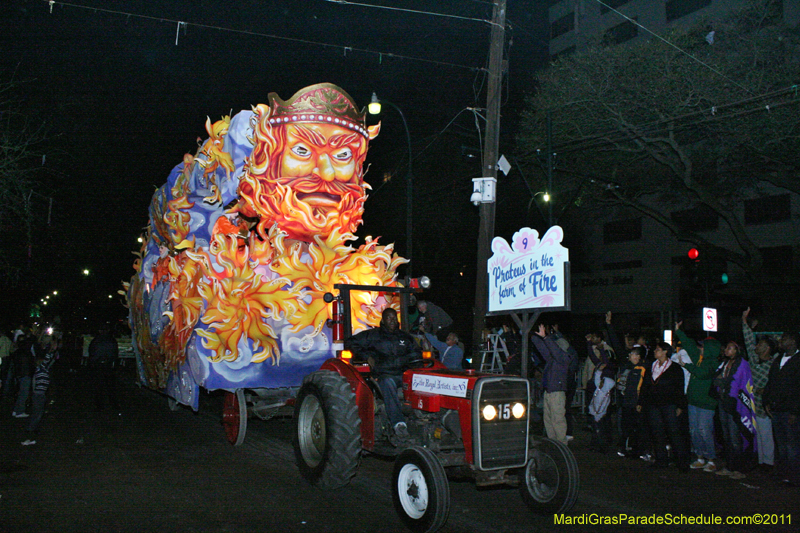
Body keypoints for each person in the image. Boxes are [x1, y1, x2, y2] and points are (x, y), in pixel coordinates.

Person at [236, 83, 380, 243]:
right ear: (268, 161)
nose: (327, 174)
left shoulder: (363, 267)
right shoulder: (231, 262)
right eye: (302, 151)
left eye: (343, 154)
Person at [345, 308, 421, 441]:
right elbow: (350, 342)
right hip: (384, 375)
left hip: (404, 374)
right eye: (389, 318)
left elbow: (415, 354)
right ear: (383, 320)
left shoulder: (405, 337)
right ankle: (399, 424)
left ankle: (423, 420)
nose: (392, 320)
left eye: (394, 318)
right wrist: (366, 356)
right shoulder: (373, 335)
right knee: (388, 382)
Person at [675, 323, 720, 473]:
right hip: (694, 401)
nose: (700, 348)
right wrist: (679, 332)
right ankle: (700, 457)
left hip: (706, 403)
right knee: (694, 430)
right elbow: (690, 347)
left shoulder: (713, 363)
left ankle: (711, 459)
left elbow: (702, 373)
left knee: (704, 430)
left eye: (703, 346)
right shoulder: (700, 359)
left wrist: (687, 366)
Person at [640, 341, 689, 470]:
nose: (655, 352)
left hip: (669, 404)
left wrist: (680, 405)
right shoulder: (652, 366)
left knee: (674, 432)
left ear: (665, 351)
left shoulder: (675, 368)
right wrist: (642, 402)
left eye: (658, 349)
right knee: (657, 432)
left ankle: (682, 462)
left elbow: (679, 388)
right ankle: (661, 460)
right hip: (653, 405)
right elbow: (645, 386)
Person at [712, 340, 757, 480]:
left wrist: (722, 381)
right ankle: (730, 465)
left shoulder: (742, 363)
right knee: (727, 436)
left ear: (737, 350)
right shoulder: (725, 363)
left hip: (735, 405)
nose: (727, 350)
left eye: (730, 348)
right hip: (724, 402)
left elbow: (736, 382)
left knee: (735, 436)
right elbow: (716, 378)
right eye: (726, 347)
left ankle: (740, 468)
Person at [742, 308, 778, 471]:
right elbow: (749, 341)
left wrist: (767, 391)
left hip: (766, 404)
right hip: (755, 403)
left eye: (761, 344)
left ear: (768, 349)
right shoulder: (755, 361)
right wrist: (745, 322)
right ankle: (762, 461)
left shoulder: (773, 364)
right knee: (760, 434)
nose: (757, 345)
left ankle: (768, 463)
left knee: (766, 434)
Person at [762, 331, 800, 486]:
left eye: (784, 338)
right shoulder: (779, 359)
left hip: (790, 411)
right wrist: (767, 402)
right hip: (777, 409)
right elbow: (771, 383)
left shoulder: (797, 360)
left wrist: (795, 411)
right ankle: (782, 473)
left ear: (793, 341)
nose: (781, 341)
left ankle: (793, 476)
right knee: (781, 444)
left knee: (792, 446)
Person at [531, 323, 575, 445]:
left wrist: (546, 338)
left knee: (558, 421)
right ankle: (553, 445)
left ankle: (561, 446)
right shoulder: (553, 359)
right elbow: (542, 348)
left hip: (557, 393)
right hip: (549, 392)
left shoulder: (564, 358)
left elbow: (554, 350)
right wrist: (532, 335)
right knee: (549, 421)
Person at [21, 341, 58, 445]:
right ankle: (30, 431)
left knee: (38, 413)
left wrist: (53, 351)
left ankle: (32, 430)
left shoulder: (43, 369)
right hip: (38, 394)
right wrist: (51, 350)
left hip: (40, 394)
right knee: (37, 413)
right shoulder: (40, 369)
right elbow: (47, 359)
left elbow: (50, 360)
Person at [585, 329, 616, 452]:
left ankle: (603, 444)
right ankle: (597, 443)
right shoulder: (600, 365)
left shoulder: (609, 368)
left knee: (603, 420)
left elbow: (607, 361)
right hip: (598, 394)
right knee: (596, 420)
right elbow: (593, 356)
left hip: (604, 396)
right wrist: (589, 344)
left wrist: (602, 350)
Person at [617, 346, 647, 458]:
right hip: (627, 402)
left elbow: (642, 388)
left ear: (638, 356)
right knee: (627, 427)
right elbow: (621, 384)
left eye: (632, 354)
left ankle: (639, 450)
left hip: (636, 403)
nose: (629, 356)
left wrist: (640, 402)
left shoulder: (642, 369)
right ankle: (626, 448)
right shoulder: (627, 368)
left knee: (638, 428)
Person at [88, 325, 120, 412]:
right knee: (110, 386)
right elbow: (115, 354)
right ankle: (114, 405)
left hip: (98, 365)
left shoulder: (96, 341)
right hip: (108, 365)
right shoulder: (112, 340)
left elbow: (91, 353)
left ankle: (100, 406)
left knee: (99, 387)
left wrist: (93, 364)